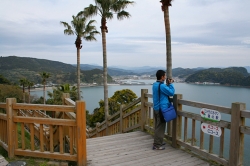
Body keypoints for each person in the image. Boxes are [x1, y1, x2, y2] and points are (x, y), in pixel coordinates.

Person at [152, 70, 175, 150]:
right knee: (160, 127)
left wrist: (167, 84)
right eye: (164, 76)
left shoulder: (155, 84)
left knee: (158, 126)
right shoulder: (162, 86)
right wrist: (171, 84)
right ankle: (157, 145)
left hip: (156, 108)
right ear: (162, 77)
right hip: (162, 109)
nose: (165, 77)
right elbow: (171, 93)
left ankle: (158, 141)